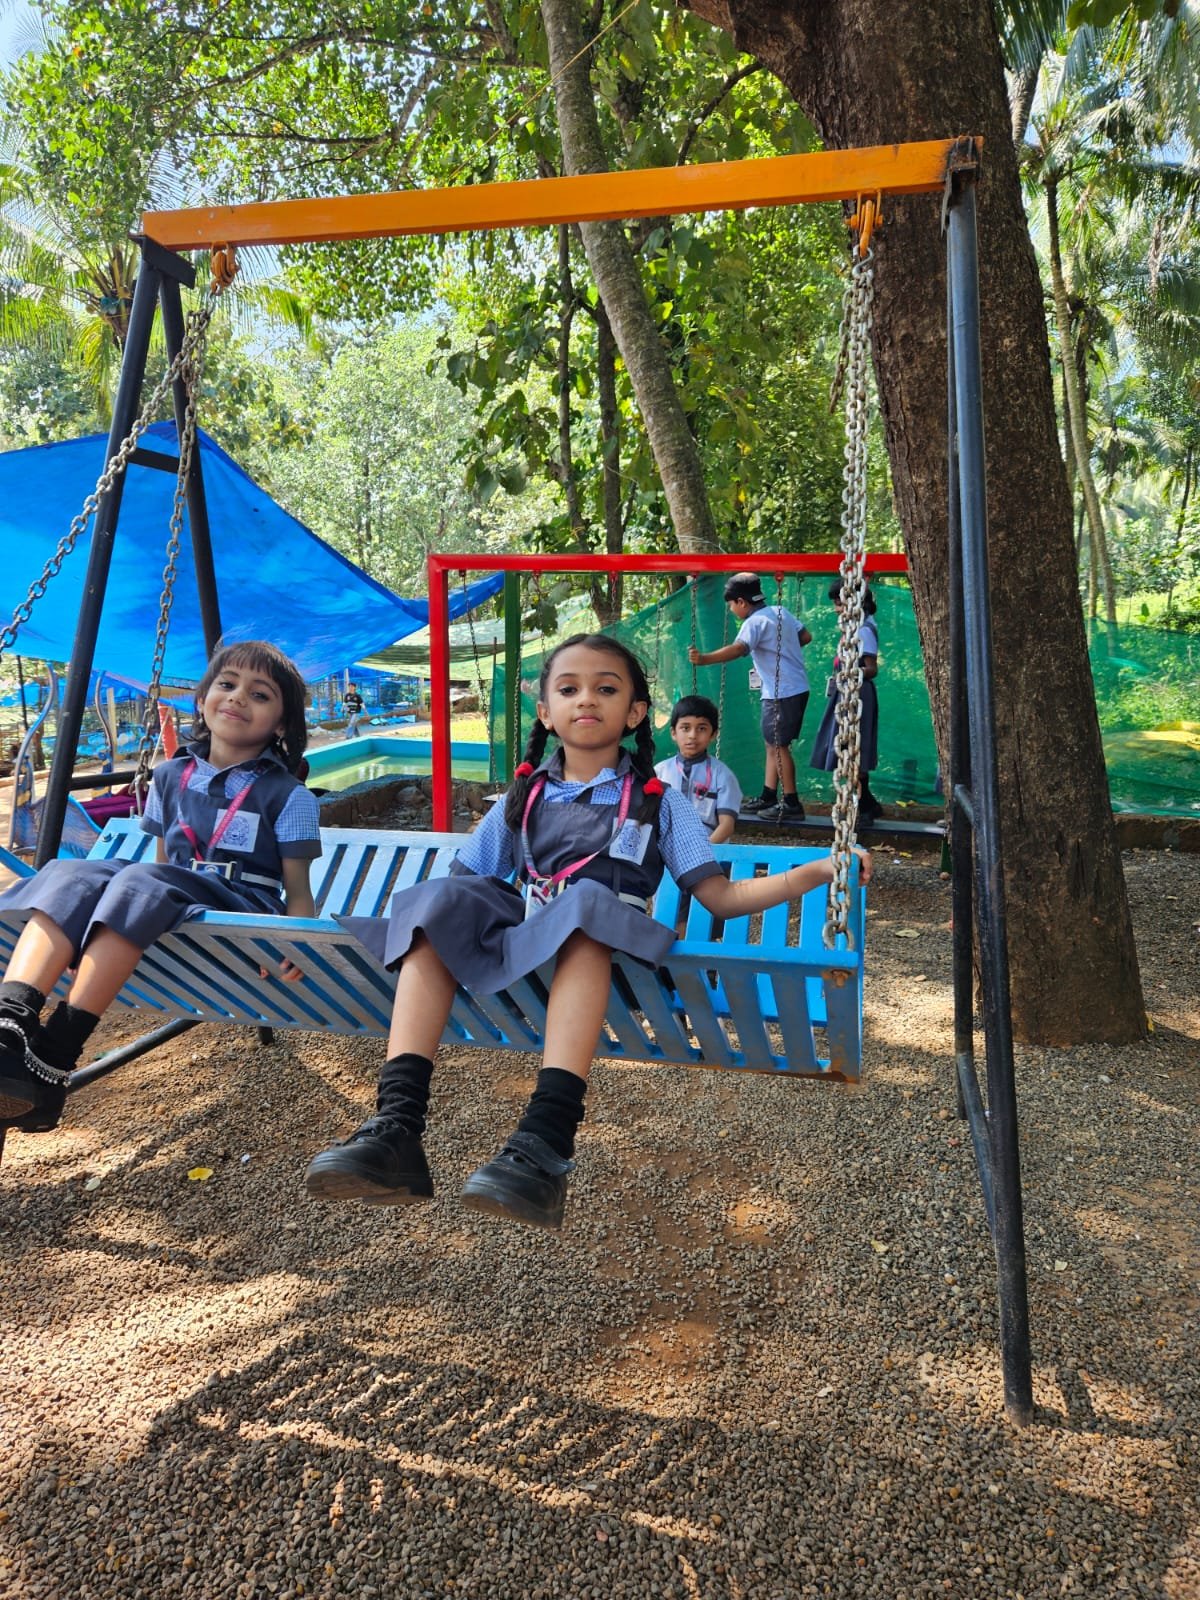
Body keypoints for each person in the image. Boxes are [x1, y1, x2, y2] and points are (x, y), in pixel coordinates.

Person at [305, 633, 870, 1231]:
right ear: (546, 713)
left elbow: (722, 898)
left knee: (586, 906)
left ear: (634, 713)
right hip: (528, 967)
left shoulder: (661, 803)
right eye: (569, 689)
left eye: (606, 689)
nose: (587, 700)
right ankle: (395, 1127)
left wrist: (814, 870)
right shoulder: (524, 796)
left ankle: (544, 1142)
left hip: (612, 970)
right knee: (443, 901)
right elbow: (460, 887)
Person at [0, 641, 321, 1134]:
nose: (237, 698)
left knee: (138, 881)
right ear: (203, 697)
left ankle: (59, 1049)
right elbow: (163, 862)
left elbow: (297, 888)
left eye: (260, 695)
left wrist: (291, 937)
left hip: (238, 903)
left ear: (280, 724)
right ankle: (11, 1026)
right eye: (227, 684)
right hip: (174, 895)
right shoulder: (171, 774)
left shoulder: (288, 794)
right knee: (74, 873)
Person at [688, 572, 812, 822]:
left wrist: (704, 659)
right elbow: (805, 636)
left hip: (782, 690)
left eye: (732, 605)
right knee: (772, 744)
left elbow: (739, 648)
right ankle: (768, 794)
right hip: (789, 687)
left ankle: (791, 802)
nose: (732, 610)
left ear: (742, 602)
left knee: (778, 746)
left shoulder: (754, 622)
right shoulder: (780, 612)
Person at [810, 580, 883, 829]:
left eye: (839, 603)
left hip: (857, 693)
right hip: (847, 691)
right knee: (849, 746)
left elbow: (871, 668)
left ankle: (862, 806)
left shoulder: (863, 629)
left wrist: (850, 672)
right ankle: (868, 802)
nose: (835, 609)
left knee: (853, 748)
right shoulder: (853, 627)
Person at [654, 694, 742, 844]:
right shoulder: (659, 772)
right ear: (673, 733)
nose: (692, 735)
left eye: (701, 728)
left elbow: (726, 826)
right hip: (663, 850)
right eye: (685, 728)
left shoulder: (722, 775)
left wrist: (700, 854)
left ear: (713, 734)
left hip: (708, 850)